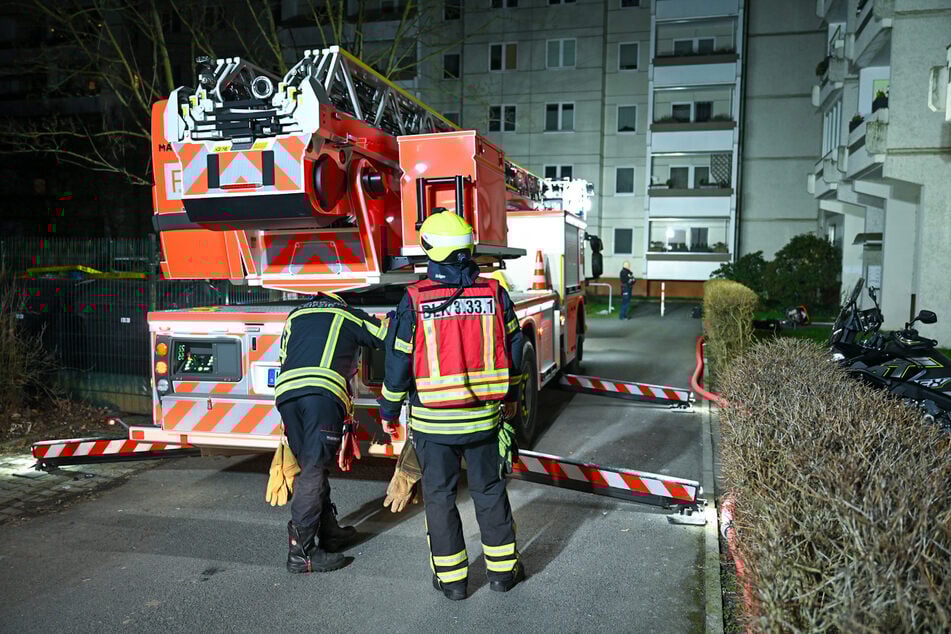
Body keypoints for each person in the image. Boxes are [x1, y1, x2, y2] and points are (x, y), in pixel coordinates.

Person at [378, 210, 525, 601]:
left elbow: (399, 362)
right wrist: (511, 397)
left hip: (433, 425)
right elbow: (514, 348)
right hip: (483, 421)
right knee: (489, 490)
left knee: (440, 497)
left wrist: (389, 411)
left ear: (428, 249)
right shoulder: (494, 293)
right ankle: (503, 573)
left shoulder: (415, 299)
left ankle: (453, 582)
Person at [274, 291, 388, 573]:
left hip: (287, 395)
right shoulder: (346, 314)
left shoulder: (295, 315)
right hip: (322, 395)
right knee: (314, 469)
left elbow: (284, 356)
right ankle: (301, 553)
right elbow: (384, 335)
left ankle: (328, 532)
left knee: (310, 465)